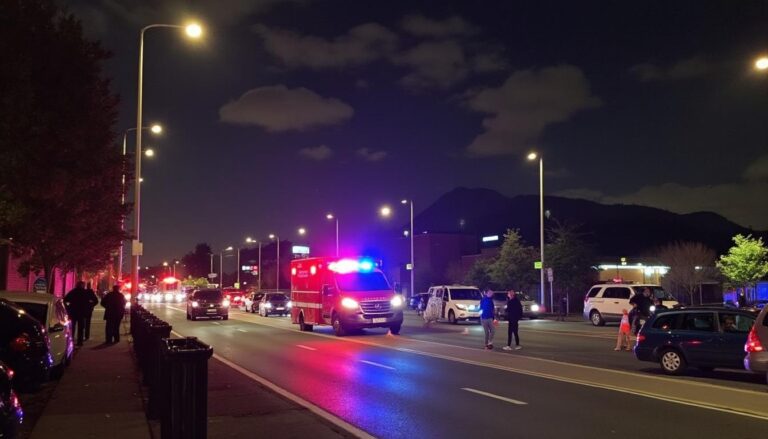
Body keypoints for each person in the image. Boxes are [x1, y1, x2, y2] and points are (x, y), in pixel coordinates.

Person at [64, 281, 91, 346]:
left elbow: (65, 299)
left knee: (72, 327)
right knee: (81, 328)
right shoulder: (85, 292)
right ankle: (80, 341)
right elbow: (90, 301)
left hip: (73, 311)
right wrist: (89, 308)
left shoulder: (73, 292)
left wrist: (68, 307)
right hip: (81, 312)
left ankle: (71, 340)